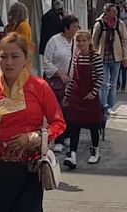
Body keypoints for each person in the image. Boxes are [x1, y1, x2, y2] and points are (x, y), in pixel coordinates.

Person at [0, 33, 66, 211]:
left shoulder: (39, 87)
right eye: (3, 57)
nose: (9, 62)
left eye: (15, 56)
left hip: (28, 171)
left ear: (25, 59)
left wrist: (34, 137)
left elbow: (59, 123)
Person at [63, 30, 104, 169]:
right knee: (74, 124)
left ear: (89, 41)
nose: (81, 43)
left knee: (93, 125)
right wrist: (67, 95)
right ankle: (72, 154)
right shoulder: (76, 57)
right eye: (78, 41)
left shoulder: (95, 57)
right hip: (77, 95)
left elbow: (100, 77)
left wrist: (93, 92)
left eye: (83, 41)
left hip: (90, 96)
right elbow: (74, 78)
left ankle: (95, 150)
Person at [42, 14, 79, 152]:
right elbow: (46, 61)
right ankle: (59, 138)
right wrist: (59, 73)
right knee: (58, 110)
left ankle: (68, 134)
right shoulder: (54, 41)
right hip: (57, 83)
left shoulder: (76, 41)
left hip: (73, 82)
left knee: (70, 110)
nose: (76, 29)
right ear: (66, 28)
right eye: (74, 27)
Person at [92, 3, 127, 118]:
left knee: (113, 84)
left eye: (115, 11)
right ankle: (103, 105)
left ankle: (110, 106)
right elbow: (94, 41)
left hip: (116, 57)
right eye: (112, 11)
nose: (115, 13)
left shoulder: (119, 23)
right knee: (103, 83)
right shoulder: (99, 24)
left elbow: (125, 40)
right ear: (106, 12)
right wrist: (93, 56)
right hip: (102, 57)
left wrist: (126, 57)